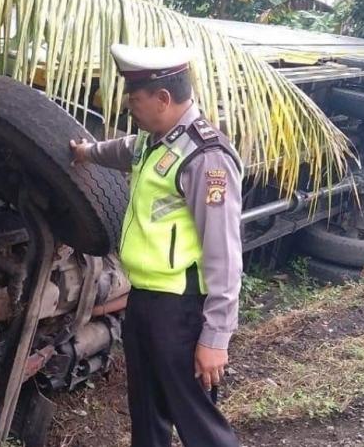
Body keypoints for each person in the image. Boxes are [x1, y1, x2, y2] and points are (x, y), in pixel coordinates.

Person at [70, 44, 243, 447]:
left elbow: (225, 256)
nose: (131, 109)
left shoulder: (205, 157)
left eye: (135, 101)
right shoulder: (155, 139)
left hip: (181, 308)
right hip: (145, 300)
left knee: (197, 421)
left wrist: (215, 339)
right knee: (146, 415)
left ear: (163, 98)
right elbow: (121, 150)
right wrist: (85, 153)